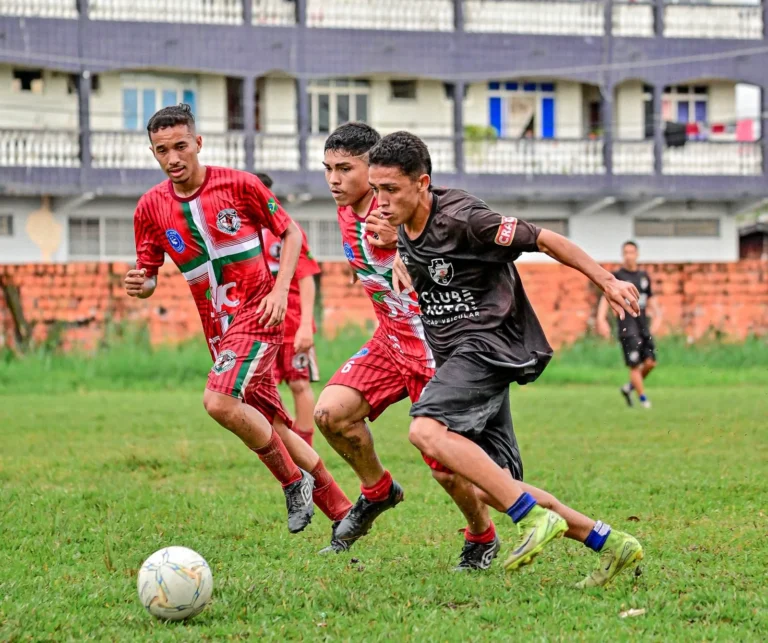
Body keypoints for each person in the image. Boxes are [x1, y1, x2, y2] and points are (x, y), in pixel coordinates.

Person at [377, 130, 643, 586]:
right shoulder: (399, 220)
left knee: (425, 430)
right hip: (462, 357)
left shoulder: (467, 219)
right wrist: (395, 251)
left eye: (390, 190)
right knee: (486, 485)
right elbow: (401, 240)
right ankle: (612, 542)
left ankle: (531, 518)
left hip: (488, 346)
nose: (380, 200)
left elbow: (544, 238)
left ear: (422, 183)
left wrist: (607, 280)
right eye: (375, 188)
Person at [124, 104, 351, 538]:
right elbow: (149, 274)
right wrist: (141, 284)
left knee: (218, 402)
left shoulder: (239, 184)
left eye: (180, 146)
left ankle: (292, 483)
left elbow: (291, 233)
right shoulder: (150, 207)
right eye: (161, 150)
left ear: (198, 143)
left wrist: (281, 289)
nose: (173, 158)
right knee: (277, 426)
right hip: (218, 330)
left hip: (259, 314)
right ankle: (343, 512)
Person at [313, 123, 505, 568]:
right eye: (327, 169)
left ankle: (482, 535)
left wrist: (402, 245)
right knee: (330, 415)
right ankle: (378, 491)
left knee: (444, 465)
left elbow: (434, 239)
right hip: (389, 341)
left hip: (431, 348)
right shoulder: (346, 210)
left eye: (345, 169)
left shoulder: (395, 215)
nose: (334, 180)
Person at [256, 172, 322, 446]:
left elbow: (306, 278)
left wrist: (307, 324)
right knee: (263, 389)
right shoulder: (238, 237)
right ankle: (281, 445)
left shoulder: (288, 231)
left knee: (299, 383)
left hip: (292, 323)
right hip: (258, 327)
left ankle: (305, 447)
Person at [596, 241, 661, 409]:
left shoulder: (644, 277)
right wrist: (601, 319)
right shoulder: (617, 276)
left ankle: (629, 388)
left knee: (651, 363)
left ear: (637, 254)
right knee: (634, 365)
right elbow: (606, 297)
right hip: (627, 327)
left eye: (631, 252)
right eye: (626, 252)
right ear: (622, 255)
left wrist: (658, 317)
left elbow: (650, 298)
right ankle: (643, 400)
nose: (629, 255)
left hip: (643, 326)